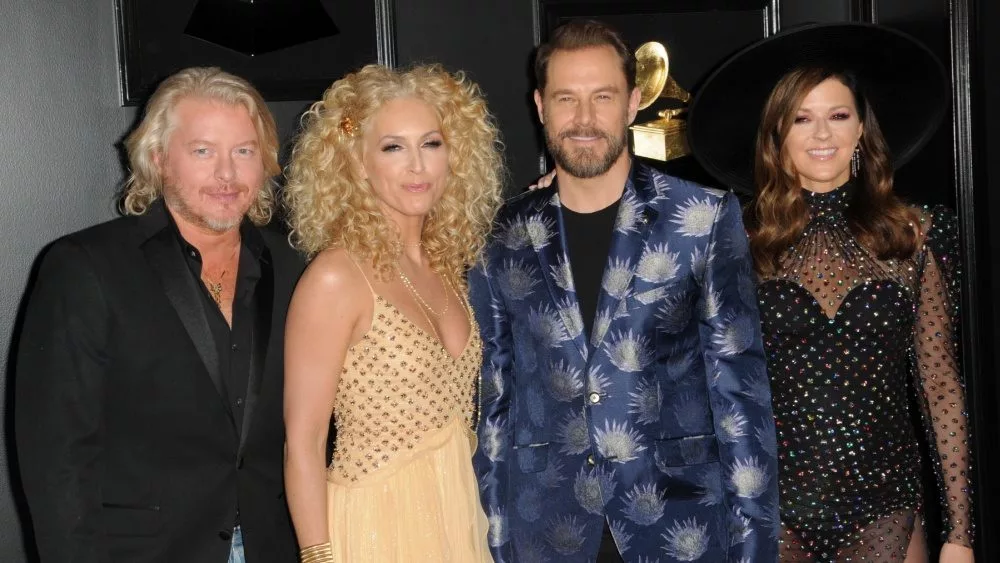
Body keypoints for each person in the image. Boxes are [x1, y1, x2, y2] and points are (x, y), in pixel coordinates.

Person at [470, 19, 779, 563]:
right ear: (540, 106)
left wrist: (754, 549)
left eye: (603, 97)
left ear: (633, 102)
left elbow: (741, 401)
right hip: (547, 531)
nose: (584, 119)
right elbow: (494, 401)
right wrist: (496, 539)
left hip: (679, 527)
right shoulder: (500, 236)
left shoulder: (702, 218)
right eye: (566, 99)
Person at [686, 23, 974, 563]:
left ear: (862, 127)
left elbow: (940, 386)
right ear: (777, 136)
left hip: (885, 501)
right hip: (769, 504)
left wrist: (960, 533)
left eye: (837, 116)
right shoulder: (733, 240)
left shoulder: (915, 235)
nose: (822, 135)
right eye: (802, 118)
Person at [15, 67, 303, 562]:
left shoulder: (295, 266)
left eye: (244, 151)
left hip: (275, 545)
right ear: (156, 158)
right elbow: (57, 456)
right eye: (202, 151)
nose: (227, 175)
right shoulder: (85, 267)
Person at [281, 63, 503, 563]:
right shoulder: (337, 277)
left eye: (432, 143)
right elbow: (304, 442)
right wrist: (320, 558)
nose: (417, 167)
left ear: (456, 156)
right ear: (357, 163)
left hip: (454, 516)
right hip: (374, 526)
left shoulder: (448, 265)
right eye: (393, 147)